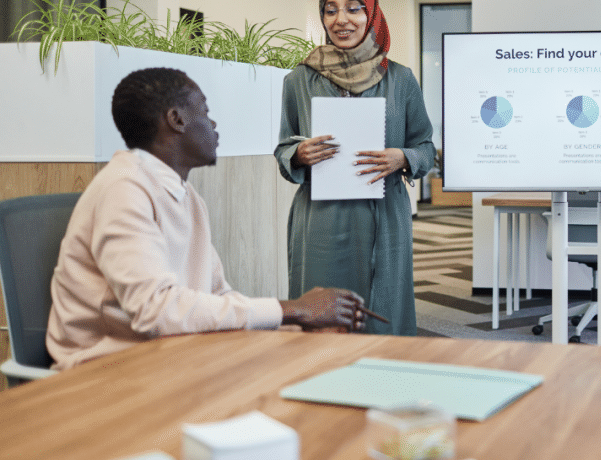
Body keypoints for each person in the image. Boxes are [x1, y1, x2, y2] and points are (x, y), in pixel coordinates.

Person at [46, 68, 367, 371]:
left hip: (173, 352)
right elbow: (155, 311)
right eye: (205, 111)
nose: (214, 126)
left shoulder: (185, 195)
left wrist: (299, 324)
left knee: (317, 351)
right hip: (107, 369)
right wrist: (293, 308)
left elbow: (217, 298)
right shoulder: (123, 189)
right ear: (176, 120)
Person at [275, 0, 435, 336]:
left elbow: (427, 147)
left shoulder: (401, 79)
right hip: (321, 217)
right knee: (321, 312)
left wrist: (403, 158)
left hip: (383, 213)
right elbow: (283, 147)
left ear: (372, 15)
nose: (341, 20)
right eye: (330, 11)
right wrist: (298, 153)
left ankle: (385, 383)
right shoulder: (299, 79)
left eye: (353, 9)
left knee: (383, 309)